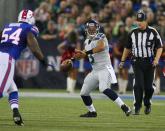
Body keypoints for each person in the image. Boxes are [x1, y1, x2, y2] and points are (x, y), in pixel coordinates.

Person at [74, 19, 131, 117]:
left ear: (97, 28)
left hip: (105, 68)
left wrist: (85, 53)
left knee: (103, 88)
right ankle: (92, 112)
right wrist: (72, 59)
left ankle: (124, 107)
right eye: (90, 28)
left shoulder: (101, 36)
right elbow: (81, 55)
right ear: (86, 29)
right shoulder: (87, 41)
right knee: (84, 93)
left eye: (93, 28)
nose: (92, 30)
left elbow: (100, 47)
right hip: (95, 70)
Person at [0, 10, 48, 126]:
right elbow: (34, 47)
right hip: (6, 59)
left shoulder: (8, 26)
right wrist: (42, 60)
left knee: (13, 89)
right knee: (1, 91)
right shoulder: (30, 28)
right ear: (31, 18)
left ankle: (16, 112)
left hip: (2, 56)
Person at [120, 10, 163, 115]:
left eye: (141, 21)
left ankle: (147, 103)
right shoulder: (132, 33)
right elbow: (127, 48)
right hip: (137, 61)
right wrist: (122, 60)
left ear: (146, 21)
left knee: (149, 87)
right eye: (138, 21)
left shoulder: (153, 31)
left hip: (150, 62)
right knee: (138, 85)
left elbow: (159, 47)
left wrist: (156, 59)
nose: (139, 23)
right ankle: (137, 107)